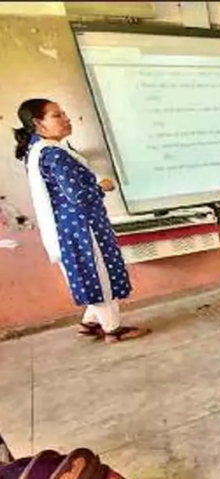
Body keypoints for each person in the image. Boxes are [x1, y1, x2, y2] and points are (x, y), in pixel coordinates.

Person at [13, 98, 149, 343]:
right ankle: (113, 330)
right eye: (56, 115)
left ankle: (89, 324)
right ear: (37, 123)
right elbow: (77, 196)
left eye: (64, 113)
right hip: (81, 228)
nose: (66, 119)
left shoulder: (38, 150)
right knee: (99, 274)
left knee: (90, 273)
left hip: (69, 228)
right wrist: (102, 186)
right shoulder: (53, 154)